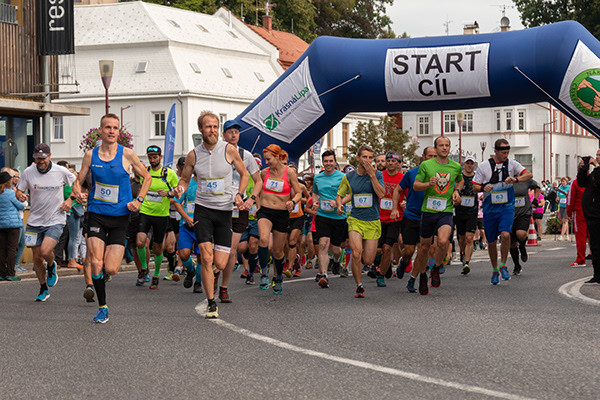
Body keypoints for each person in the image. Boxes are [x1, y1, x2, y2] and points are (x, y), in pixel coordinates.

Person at [75, 114, 151, 323]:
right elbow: (78, 180)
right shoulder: (91, 156)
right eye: (107, 127)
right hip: (96, 214)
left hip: (119, 217)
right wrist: (79, 193)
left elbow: (147, 177)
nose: (111, 131)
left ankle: (102, 279)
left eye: (115, 128)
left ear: (119, 132)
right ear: (100, 130)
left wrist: (139, 200)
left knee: (111, 268)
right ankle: (103, 307)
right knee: (96, 263)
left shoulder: (127, 154)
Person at [174, 111, 249, 319]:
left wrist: (240, 194)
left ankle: (212, 276)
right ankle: (211, 302)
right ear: (201, 130)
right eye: (208, 127)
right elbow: (185, 180)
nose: (213, 131)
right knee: (206, 258)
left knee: (222, 263)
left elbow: (243, 174)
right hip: (203, 210)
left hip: (224, 211)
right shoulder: (193, 155)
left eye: (216, 127)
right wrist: (180, 189)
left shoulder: (229, 150)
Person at [16, 143, 76, 302]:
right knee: (36, 258)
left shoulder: (61, 171)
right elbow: (18, 190)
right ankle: (43, 288)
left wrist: (70, 200)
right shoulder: (28, 172)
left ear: (49, 156)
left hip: (55, 219)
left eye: (43, 158)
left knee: (45, 251)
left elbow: (78, 185)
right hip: (34, 222)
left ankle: (51, 265)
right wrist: (20, 195)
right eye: (37, 158)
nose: (40, 161)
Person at [473, 138, 532, 285]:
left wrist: (515, 179)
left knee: (506, 234)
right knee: (491, 242)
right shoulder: (484, 166)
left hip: (507, 206)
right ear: (496, 151)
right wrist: (482, 188)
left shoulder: (512, 164)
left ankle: (504, 265)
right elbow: (474, 186)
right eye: (503, 152)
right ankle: (494, 269)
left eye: (507, 152)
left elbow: (528, 175)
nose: (506, 155)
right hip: (490, 209)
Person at [411, 137, 463, 295]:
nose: (444, 148)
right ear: (436, 148)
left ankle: (436, 267)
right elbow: (416, 185)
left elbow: (460, 181)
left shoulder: (455, 166)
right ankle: (422, 275)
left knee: (443, 241)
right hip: (428, 211)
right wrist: (428, 184)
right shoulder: (426, 165)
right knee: (424, 247)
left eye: (447, 145)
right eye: (441, 145)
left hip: (446, 210)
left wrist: (456, 191)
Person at [218, 120, 262, 302]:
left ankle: (224, 287)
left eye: (236, 132)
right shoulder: (216, 153)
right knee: (217, 249)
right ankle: (212, 273)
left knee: (231, 250)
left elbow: (258, 181)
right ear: (224, 135)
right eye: (230, 132)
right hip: (219, 205)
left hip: (239, 207)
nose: (234, 135)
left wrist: (251, 199)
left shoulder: (247, 155)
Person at [336, 145, 385, 298]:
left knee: (368, 259)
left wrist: (372, 176)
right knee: (356, 253)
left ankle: (371, 265)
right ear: (358, 158)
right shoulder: (349, 177)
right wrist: (339, 204)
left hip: (372, 221)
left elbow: (382, 194)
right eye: (364, 157)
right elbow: (340, 194)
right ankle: (359, 285)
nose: (367, 160)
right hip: (355, 219)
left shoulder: (377, 174)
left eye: (370, 158)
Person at [254, 145, 302, 294]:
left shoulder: (289, 173)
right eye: (265, 159)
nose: (266, 162)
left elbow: (299, 193)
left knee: (278, 251)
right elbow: (259, 191)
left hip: (281, 213)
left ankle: (278, 276)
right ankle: (263, 273)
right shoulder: (263, 173)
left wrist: (292, 202)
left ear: (277, 157)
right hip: (265, 212)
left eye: (268, 159)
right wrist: (258, 206)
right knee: (263, 240)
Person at [391, 146, 437, 292]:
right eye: (429, 156)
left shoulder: (440, 174)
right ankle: (403, 262)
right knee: (409, 250)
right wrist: (394, 208)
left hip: (429, 217)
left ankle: (412, 279)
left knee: (423, 250)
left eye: (434, 156)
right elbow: (398, 190)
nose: (432, 159)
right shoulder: (412, 173)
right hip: (411, 216)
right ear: (423, 156)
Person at [135, 145, 179, 290]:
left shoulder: (169, 173)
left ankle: (156, 275)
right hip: (146, 212)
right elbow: (142, 188)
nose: (152, 160)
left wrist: (167, 194)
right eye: (150, 157)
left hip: (161, 215)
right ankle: (144, 269)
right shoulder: (145, 172)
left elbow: (178, 193)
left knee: (158, 248)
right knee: (140, 242)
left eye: (155, 157)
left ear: (160, 157)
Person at [312, 150, 348, 288]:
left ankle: (336, 260)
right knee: (323, 244)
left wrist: (339, 203)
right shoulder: (318, 178)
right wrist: (315, 202)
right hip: (322, 215)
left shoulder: (342, 177)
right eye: (326, 161)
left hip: (338, 217)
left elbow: (350, 195)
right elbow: (315, 192)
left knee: (336, 249)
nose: (328, 164)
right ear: (322, 162)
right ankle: (324, 275)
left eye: (330, 161)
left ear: (335, 162)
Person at [374, 151, 404, 287]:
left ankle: (381, 276)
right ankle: (383, 264)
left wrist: (405, 204)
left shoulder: (402, 177)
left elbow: (409, 195)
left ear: (398, 164)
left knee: (387, 248)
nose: (391, 163)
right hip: (378, 217)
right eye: (388, 161)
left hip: (394, 218)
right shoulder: (379, 176)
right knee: (377, 250)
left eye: (394, 161)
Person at [577, 150, 600, 284]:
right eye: (596, 155)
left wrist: (596, 165)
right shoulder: (595, 172)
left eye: (599, 155)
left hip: (597, 213)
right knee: (595, 246)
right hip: (592, 214)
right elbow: (582, 183)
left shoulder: (598, 171)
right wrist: (583, 168)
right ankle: (597, 275)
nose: (596, 157)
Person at [454, 155, 479, 275]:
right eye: (467, 163)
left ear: (474, 165)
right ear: (464, 164)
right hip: (459, 211)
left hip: (472, 211)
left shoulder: (477, 177)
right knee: (462, 238)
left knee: (470, 237)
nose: (469, 166)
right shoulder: (459, 178)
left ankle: (467, 263)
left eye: (471, 163)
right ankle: (462, 253)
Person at [509, 178, 539, 275]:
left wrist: (535, 199)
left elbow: (537, 187)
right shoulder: (504, 180)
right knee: (512, 243)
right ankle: (517, 265)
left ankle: (522, 246)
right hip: (509, 213)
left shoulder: (524, 179)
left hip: (524, 212)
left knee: (521, 234)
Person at [0, 171, 24, 281]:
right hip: (13, 225)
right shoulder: (9, 193)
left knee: (2, 249)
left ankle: (2, 273)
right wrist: (23, 201)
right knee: (12, 249)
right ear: (7, 182)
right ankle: (10, 273)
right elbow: (20, 206)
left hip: (1, 225)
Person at [567, 174, 588, 267]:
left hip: (580, 211)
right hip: (593, 211)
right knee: (594, 236)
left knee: (581, 236)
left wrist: (569, 212)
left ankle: (581, 259)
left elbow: (570, 198)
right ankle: (595, 259)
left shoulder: (575, 182)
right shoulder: (593, 179)